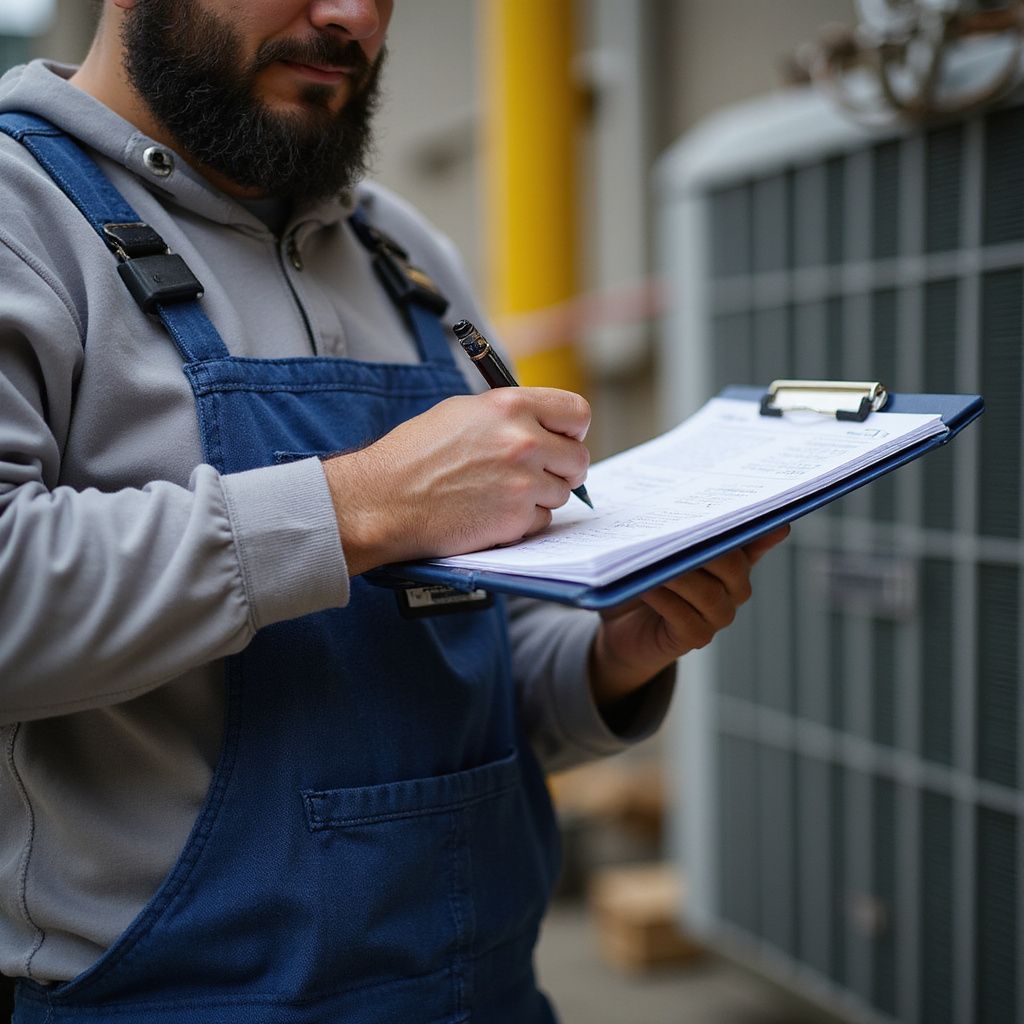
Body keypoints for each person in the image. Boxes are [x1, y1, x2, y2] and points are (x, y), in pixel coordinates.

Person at [0, 2, 787, 1021]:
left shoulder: (403, 255)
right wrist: (362, 505)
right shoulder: (22, 220)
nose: (352, 19)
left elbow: (465, 666)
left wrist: (608, 654)